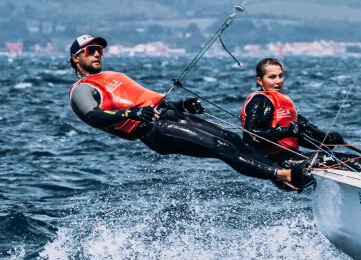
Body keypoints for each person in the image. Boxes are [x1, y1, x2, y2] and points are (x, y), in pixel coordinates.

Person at [68, 35, 307, 189]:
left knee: (231, 138)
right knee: (221, 147)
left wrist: (181, 105)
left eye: (99, 50)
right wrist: (130, 114)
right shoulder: (82, 88)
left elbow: (151, 102)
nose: (97, 53)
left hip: (170, 115)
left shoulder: (113, 75)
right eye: (90, 51)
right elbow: (93, 116)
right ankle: (283, 175)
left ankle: (283, 171)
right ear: (75, 58)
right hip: (154, 130)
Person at [240, 58, 361, 174]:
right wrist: (285, 131)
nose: (278, 81)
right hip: (277, 164)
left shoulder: (282, 102)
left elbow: (303, 135)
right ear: (260, 80)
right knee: (352, 160)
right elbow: (250, 135)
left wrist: (328, 140)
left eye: (280, 76)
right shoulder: (260, 101)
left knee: (339, 164)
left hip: (293, 159)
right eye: (272, 77)